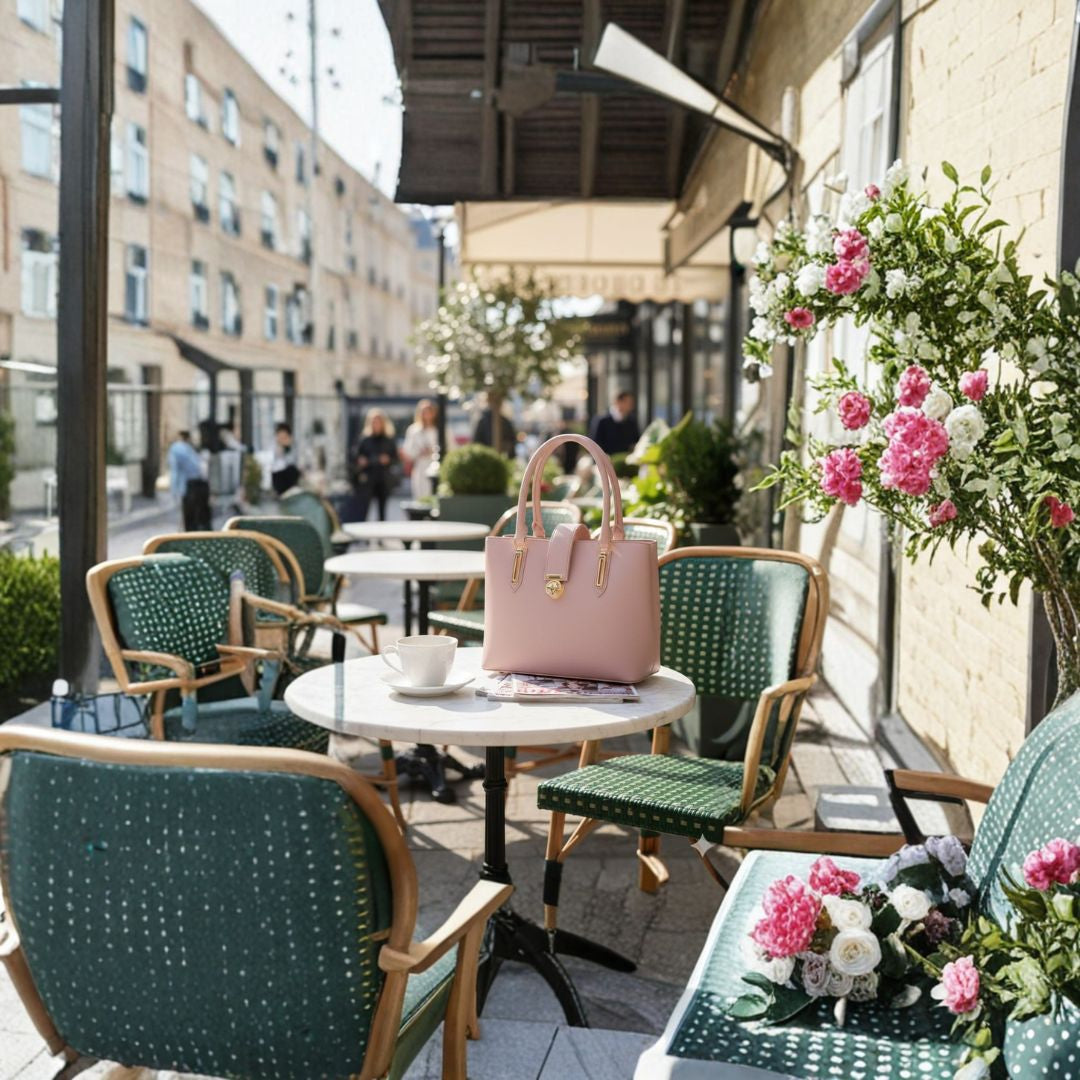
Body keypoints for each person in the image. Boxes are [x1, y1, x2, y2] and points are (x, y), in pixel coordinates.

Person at [352, 409, 398, 521]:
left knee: (382, 512)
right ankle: (364, 536)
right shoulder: (365, 440)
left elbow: (395, 459)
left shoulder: (388, 440)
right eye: (374, 421)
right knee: (364, 510)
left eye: (378, 421)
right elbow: (356, 456)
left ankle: (381, 536)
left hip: (383, 479)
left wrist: (387, 460)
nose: (376, 424)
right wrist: (361, 460)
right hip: (368, 479)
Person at [167, 430, 210, 531]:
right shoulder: (191, 448)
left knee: (189, 518)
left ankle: (190, 538)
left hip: (189, 485)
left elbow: (175, 470)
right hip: (201, 484)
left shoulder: (176, 449)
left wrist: (174, 490)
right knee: (201, 516)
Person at [401, 398, 440, 500]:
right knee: (421, 496)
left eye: (429, 411)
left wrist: (433, 451)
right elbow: (408, 451)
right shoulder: (414, 430)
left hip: (437, 466)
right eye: (424, 412)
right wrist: (419, 452)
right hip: (420, 467)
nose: (427, 415)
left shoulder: (439, 429)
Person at [588, 390, 641, 456]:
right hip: (605, 463)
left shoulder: (631, 421)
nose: (631, 406)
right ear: (618, 402)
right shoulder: (601, 420)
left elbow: (636, 441)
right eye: (628, 403)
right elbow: (594, 444)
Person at [270, 421, 301, 496]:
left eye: (284, 437)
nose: (281, 440)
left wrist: (286, 449)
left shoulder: (292, 447)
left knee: (291, 470)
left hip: (289, 479)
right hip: (277, 478)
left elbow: (293, 463)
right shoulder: (273, 447)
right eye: (280, 437)